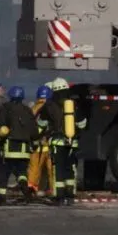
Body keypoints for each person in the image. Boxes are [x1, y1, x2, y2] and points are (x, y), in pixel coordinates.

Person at [0, 85, 39, 205]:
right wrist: (34, 144)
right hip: (24, 151)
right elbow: (34, 131)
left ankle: (1, 199)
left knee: (3, 174)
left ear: (10, 96)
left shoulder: (5, 108)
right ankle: (24, 189)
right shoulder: (27, 110)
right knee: (21, 172)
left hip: (7, 150)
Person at [42, 77, 84, 206]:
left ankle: (59, 197)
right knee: (70, 168)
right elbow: (82, 124)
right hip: (72, 142)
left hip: (57, 142)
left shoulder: (49, 105)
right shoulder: (74, 104)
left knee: (58, 169)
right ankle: (70, 196)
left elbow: (42, 123)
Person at [28, 85, 54, 199]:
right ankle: (54, 190)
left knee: (34, 169)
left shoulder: (33, 108)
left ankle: (31, 189)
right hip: (48, 144)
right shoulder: (51, 108)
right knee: (51, 169)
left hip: (36, 144)